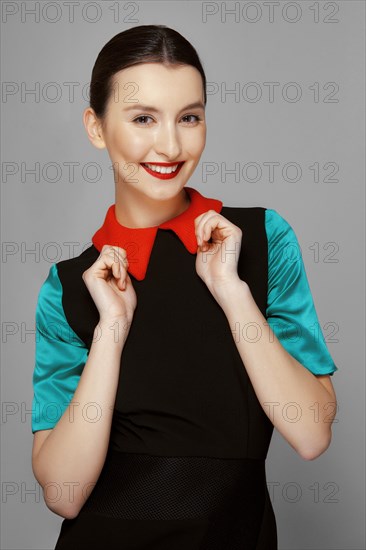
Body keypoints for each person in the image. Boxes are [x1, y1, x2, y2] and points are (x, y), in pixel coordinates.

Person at [31, 24, 338, 550]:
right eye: (143, 118)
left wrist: (232, 291)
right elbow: (63, 494)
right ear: (96, 127)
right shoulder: (71, 286)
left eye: (189, 118)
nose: (170, 144)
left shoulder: (260, 240)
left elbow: (310, 434)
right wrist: (111, 331)